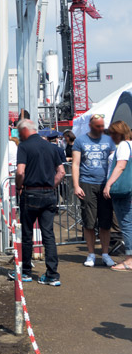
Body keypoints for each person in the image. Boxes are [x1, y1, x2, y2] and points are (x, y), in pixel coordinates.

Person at [12, 119, 65, 286]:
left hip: (30, 193)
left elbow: (20, 171)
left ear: (25, 131)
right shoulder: (52, 147)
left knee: (27, 234)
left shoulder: (24, 147)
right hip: (49, 194)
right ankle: (52, 275)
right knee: (48, 235)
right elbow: (61, 172)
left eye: (19, 132)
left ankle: (26, 271)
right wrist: (51, 185)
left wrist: (19, 186)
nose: (19, 135)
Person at [72, 114, 116, 267]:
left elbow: (114, 162)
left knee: (105, 221)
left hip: (105, 185)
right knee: (89, 222)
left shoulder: (110, 140)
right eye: (98, 126)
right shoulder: (80, 141)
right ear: (91, 126)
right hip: (87, 184)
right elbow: (76, 164)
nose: (101, 128)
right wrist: (76, 186)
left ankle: (105, 253)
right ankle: (91, 254)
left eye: (102, 125)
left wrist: (111, 183)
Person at [103, 121, 132, 272]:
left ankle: (130, 260)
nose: (111, 136)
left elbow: (121, 165)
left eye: (113, 133)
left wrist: (109, 184)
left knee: (127, 225)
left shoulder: (123, 147)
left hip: (124, 191)